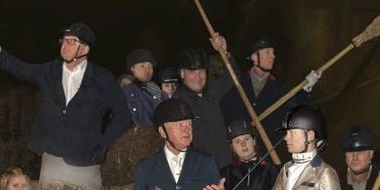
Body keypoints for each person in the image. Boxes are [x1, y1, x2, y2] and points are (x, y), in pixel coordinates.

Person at [0, 23, 130, 187]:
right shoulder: (49, 72)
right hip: (52, 160)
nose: (65, 46)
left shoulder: (102, 78)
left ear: (85, 49)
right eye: (63, 41)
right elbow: (19, 68)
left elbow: (122, 114)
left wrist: (105, 144)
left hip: (86, 161)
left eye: (72, 41)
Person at [219, 35, 320, 149]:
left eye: (273, 52)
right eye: (267, 52)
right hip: (239, 154)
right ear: (254, 57)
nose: (273, 56)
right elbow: (225, 104)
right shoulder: (238, 83)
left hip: (268, 155)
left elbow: (295, 111)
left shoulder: (279, 88)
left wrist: (306, 89)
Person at [172, 36, 236, 168]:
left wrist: (224, 53)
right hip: (201, 171)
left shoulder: (213, 90)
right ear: (182, 74)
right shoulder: (177, 103)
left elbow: (234, 78)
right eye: (192, 72)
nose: (198, 77)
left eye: (201, 71)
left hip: (226, 165)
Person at [123, 48, 167, 126]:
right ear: (132, 68)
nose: (147, 70)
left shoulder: (157, 91)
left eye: (150, 66)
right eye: (142, 66)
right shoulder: (128, 93)